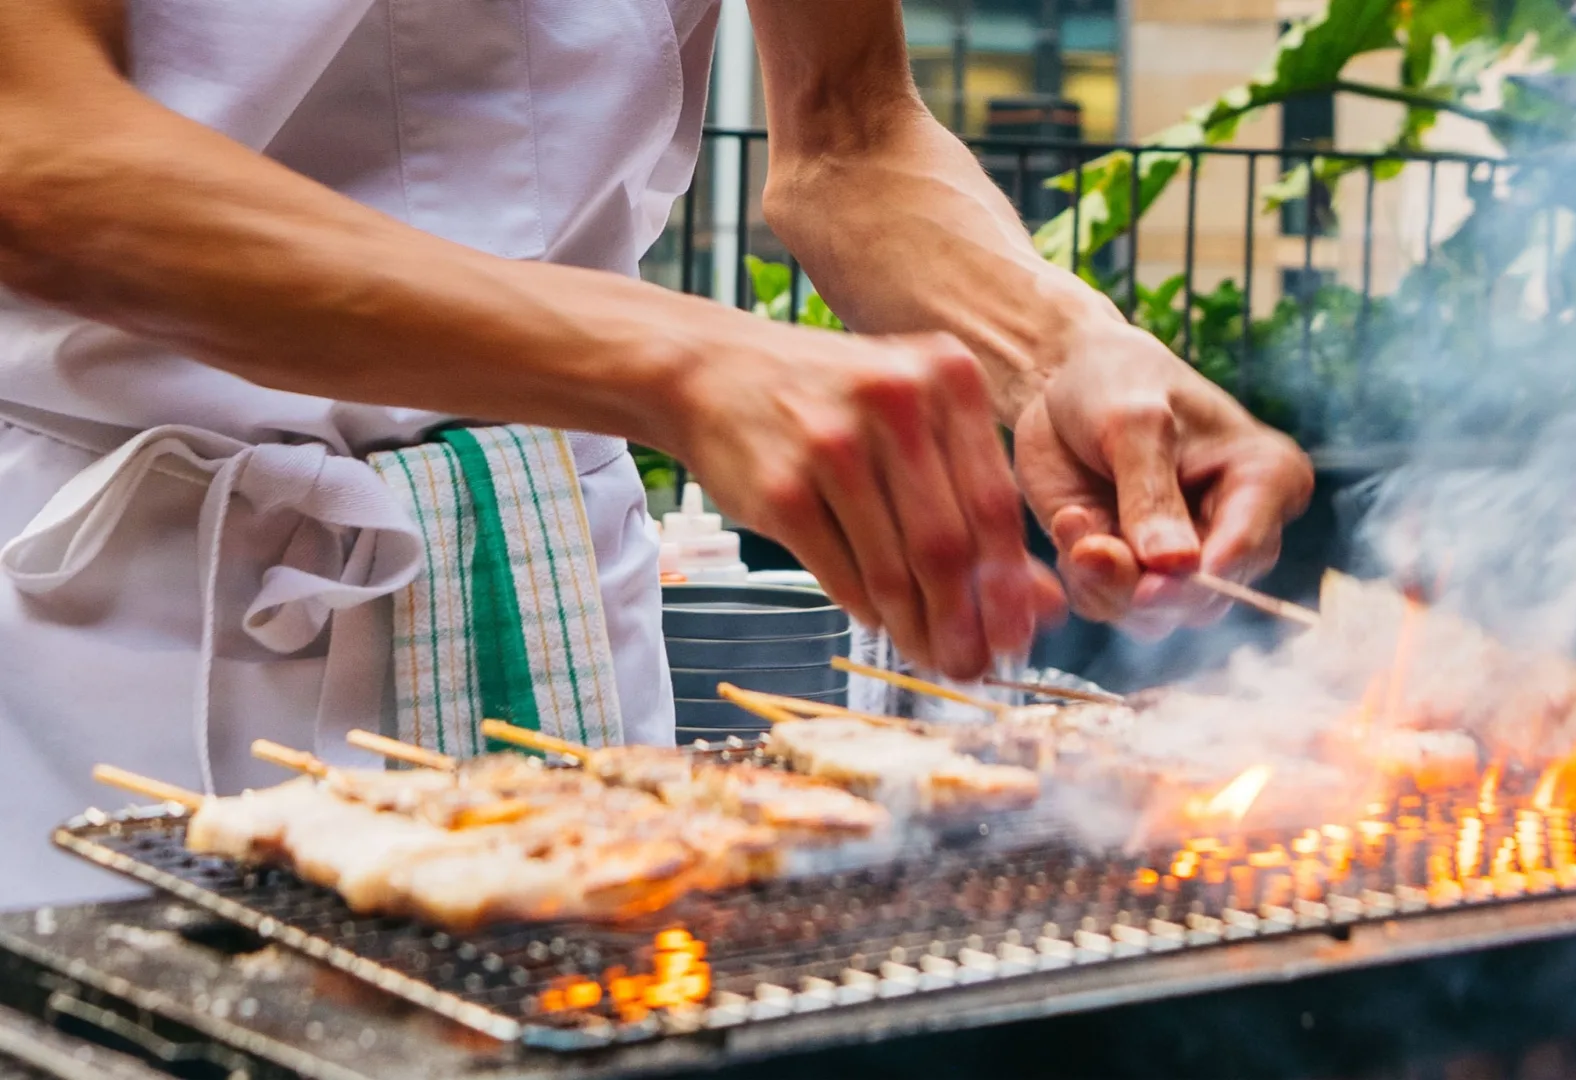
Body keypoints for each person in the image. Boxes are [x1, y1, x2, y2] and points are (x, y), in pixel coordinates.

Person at [0, 0, 1313, 906]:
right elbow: (35, 146)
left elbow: (851, 136)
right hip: (112, 616)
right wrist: (680, 360)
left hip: (553, 596)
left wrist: (1055, 343)